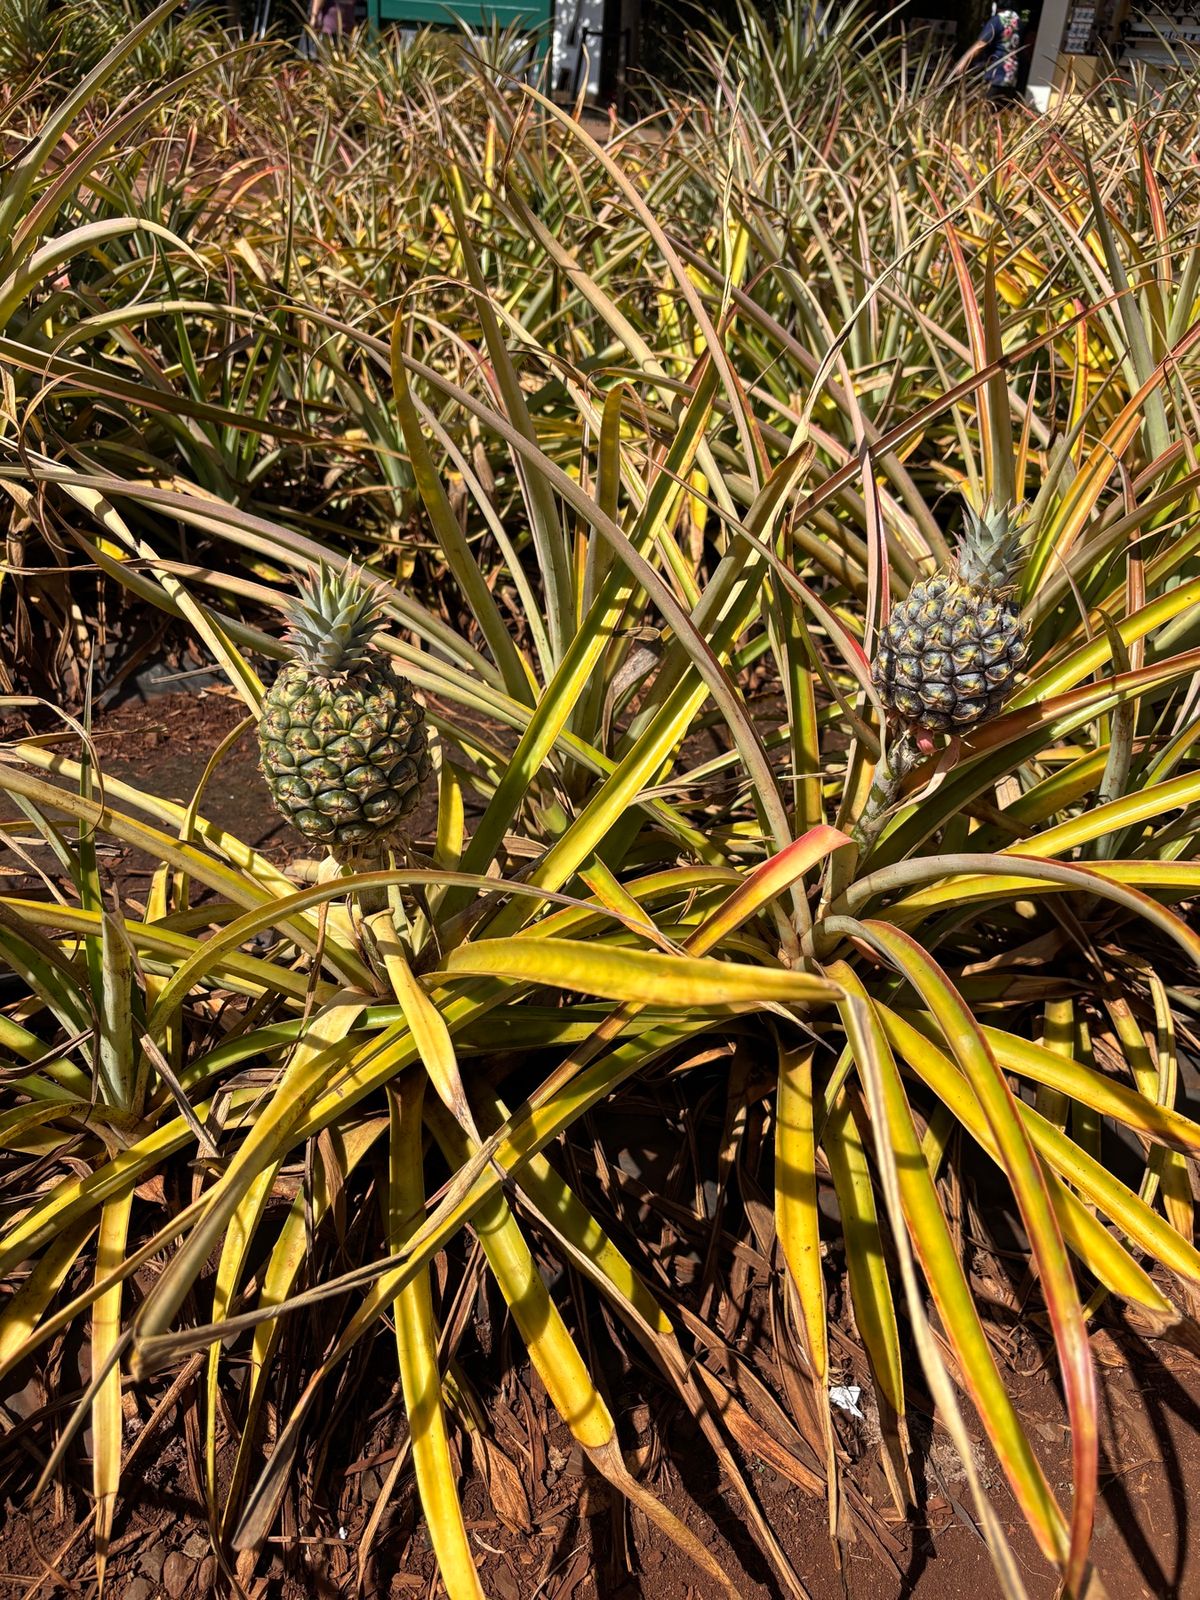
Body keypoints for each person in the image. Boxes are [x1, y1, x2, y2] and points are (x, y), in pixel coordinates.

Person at [954, 6, 1024, 102]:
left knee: (983, 109)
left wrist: (963, 62)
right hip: (1011, 76)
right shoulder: (1018, 22)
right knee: (999, 111)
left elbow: (981, 44)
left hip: (995, 74)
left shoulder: (998, 20)